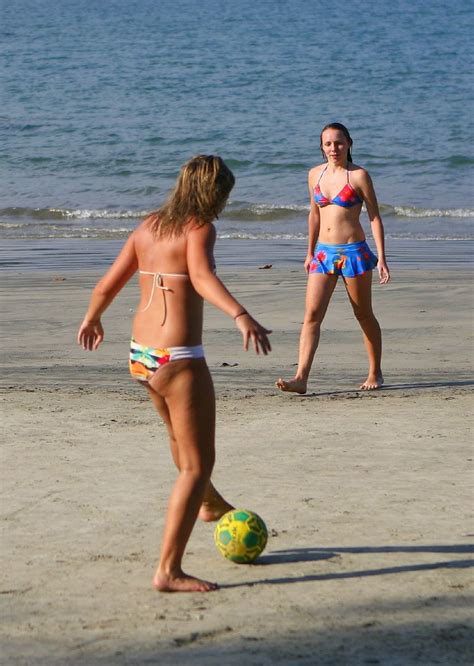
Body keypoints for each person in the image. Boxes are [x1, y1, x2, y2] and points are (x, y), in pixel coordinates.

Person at [77, 155, 272, 593]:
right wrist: (240, 315)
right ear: (212, 191)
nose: (223, 203)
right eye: (223, 194)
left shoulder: (149, 226)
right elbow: (201, 277)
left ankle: (208, 502)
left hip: (142, 355)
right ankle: (169, 569)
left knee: (177, 440)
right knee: (198, 464)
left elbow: (109, 282)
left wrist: (93, 317)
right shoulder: (199, 228)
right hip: (179, 357)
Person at [276, 122, 390, 395]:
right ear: (321, 147)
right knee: (312, 316)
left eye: (339, 143)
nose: (333, 148)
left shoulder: (359, 176)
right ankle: (301, 377)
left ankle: (375, 371)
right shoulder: (314, 174)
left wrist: (382, 258)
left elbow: (374, 216)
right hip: (323, 254)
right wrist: (309, 251)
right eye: (328, 143)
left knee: (363, 314)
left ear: (349, 143)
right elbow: (314, 214)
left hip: (354, 254)